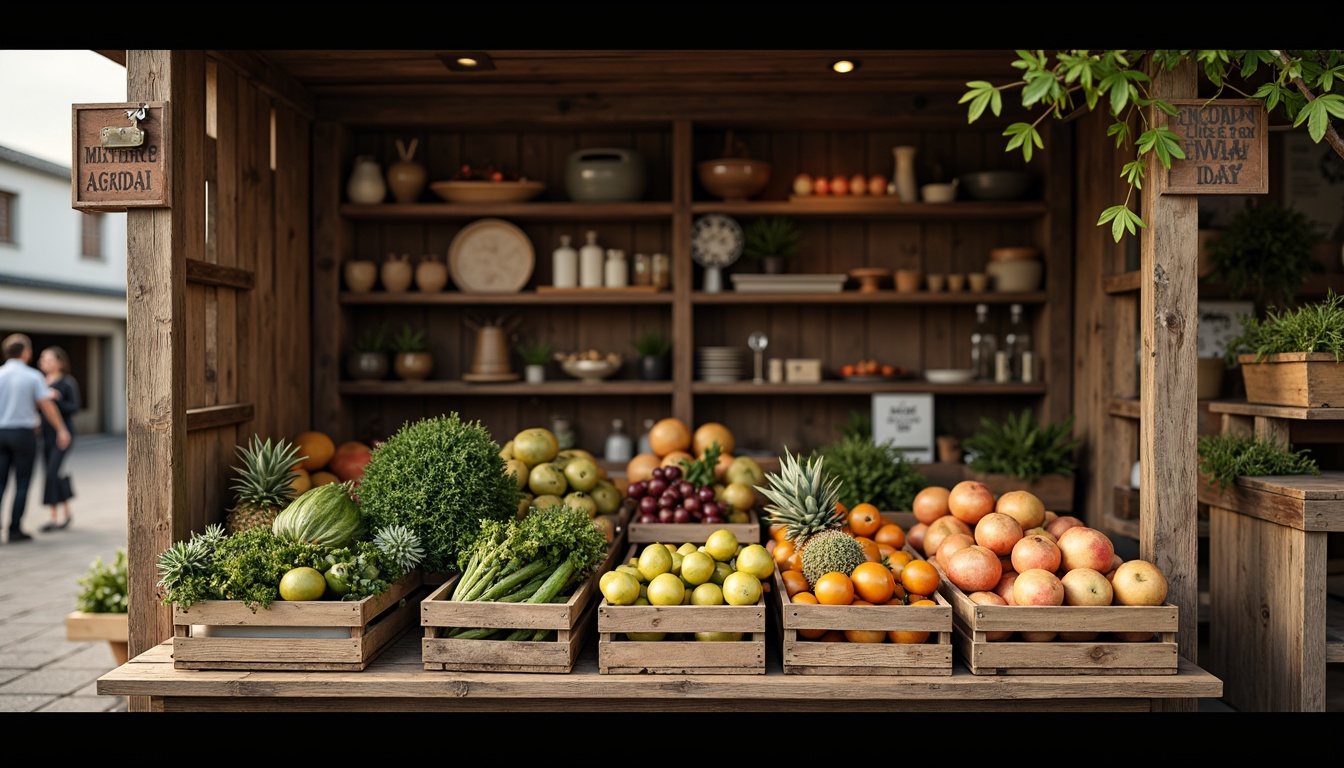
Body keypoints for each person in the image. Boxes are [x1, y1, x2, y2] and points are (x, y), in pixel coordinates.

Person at [0, 333, 70, 543]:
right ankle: (14, 530)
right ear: (26, 352)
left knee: (0, 483)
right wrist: (61, 429)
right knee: (22, 483)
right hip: (23, 434)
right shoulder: (32, 376)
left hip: (1, 433)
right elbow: (46, 405)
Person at [38, 346, 80, 532]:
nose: (44, 362)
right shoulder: (39, 382)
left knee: (52, 473)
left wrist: (56, 399)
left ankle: (53, 518)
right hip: (45, 435)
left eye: (49, 359)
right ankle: (67, 513)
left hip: (63, 434)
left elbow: (73, 408)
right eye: (43, 359)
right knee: (52, 473)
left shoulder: (67, 383)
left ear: (60, 362)